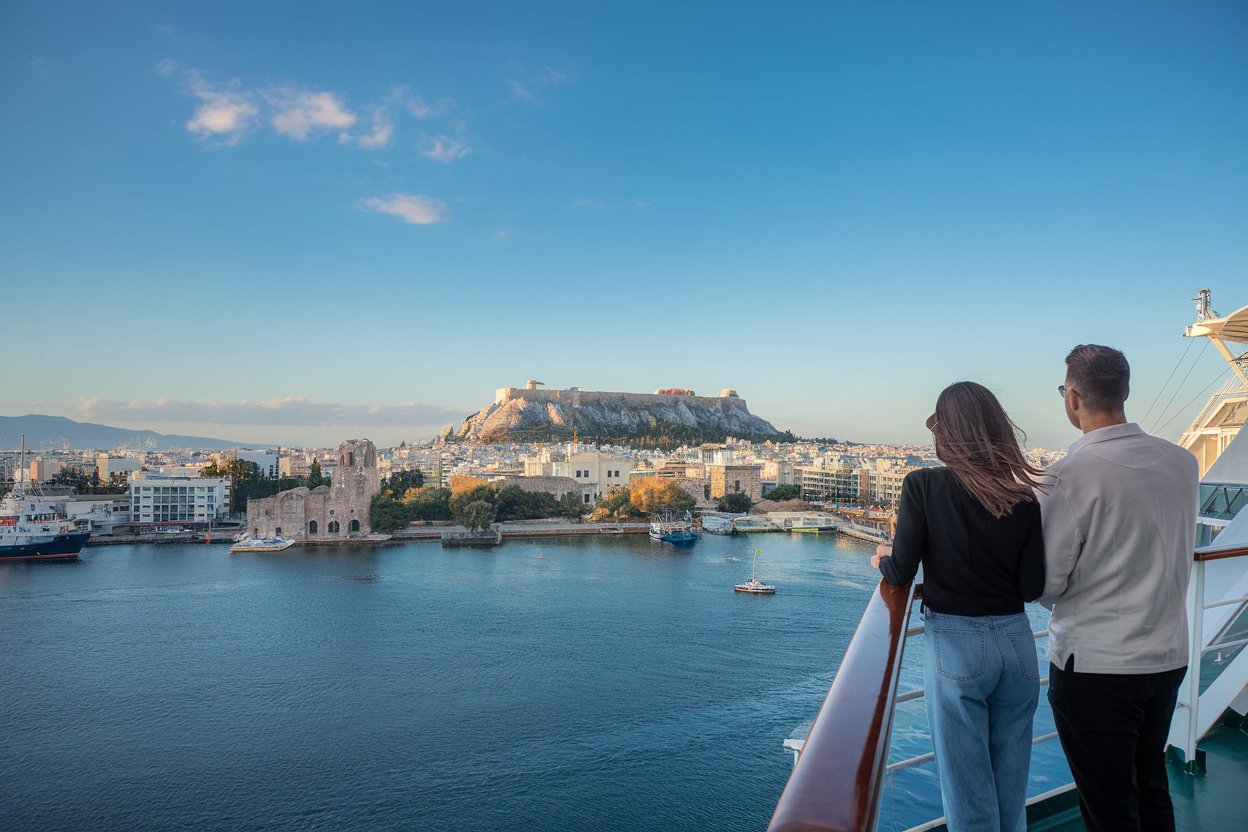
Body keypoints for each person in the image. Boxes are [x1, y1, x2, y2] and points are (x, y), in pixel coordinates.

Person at [1037, 345, 1198, 831]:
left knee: (1108, 806)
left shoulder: (1066, 475)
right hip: (1168, 656)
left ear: (1072, 398)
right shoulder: (1182, 463)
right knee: (1151, 786)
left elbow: (1047, 583)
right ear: (1125, 392)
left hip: (1096, 666)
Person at [873, 381, 1046, 831]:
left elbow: (901, 569)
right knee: (1011, 794)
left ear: (946, 434)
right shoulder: (1023, 498)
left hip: (956, 645)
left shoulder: (923, 485)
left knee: (968, 799)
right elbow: (1031, 587)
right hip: (1018, 643)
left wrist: (883, 562)